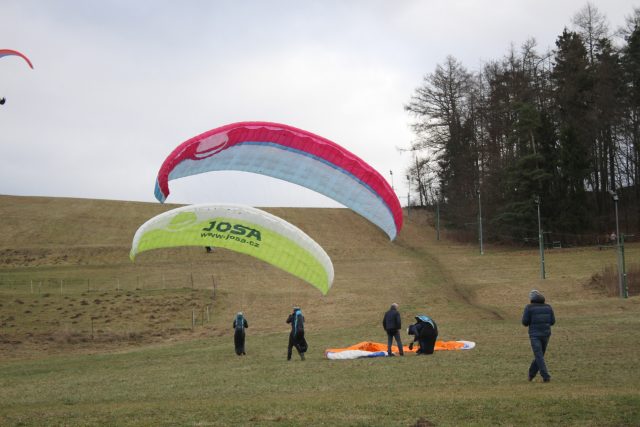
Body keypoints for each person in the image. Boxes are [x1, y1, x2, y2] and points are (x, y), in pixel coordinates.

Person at [522, 289, 555, 382]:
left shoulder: (529, 308)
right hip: (546, 334)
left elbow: (525, 322)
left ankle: (546, 376)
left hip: (535, 335)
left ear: (531, 299)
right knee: (539, 355)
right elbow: (552, 322)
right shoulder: (548, 307)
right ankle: (531, 375)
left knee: (538, 355)